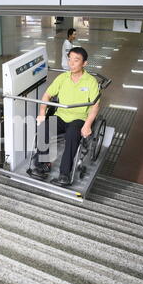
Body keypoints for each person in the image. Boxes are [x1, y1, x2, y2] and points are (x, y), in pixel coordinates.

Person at [32, 47, 100, 185]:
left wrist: (87, 125)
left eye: (76, 60)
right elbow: (47, 95)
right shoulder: (62, 78)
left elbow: (95, 106)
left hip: (79, 119)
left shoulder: (91, 81)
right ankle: (43, 165)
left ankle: (64, 174)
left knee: (72, 135)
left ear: (84, 63)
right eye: (70, 60)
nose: (72, 63)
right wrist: (41, 113)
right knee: (44, 127)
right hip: (61, 115)